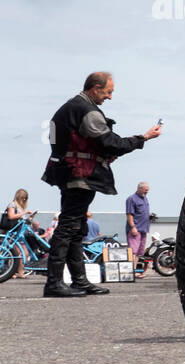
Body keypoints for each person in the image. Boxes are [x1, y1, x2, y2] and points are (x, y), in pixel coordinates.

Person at [40, 71, 162, 297]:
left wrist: (99, 154)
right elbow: (111, 143)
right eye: (108, 92)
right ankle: (54, 283)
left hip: (68, 172)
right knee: (69, 227)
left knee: (76, 229)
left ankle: (79, 281)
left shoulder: (68, 108)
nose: (110, 97)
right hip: (80, 176)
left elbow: (75, 143)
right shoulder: (87, 111)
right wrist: (144, 137)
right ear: (95, 88)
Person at [4, 188, 38, 278]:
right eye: (23, 198)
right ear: (19, 197)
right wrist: (25, 213)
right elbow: (11, 216)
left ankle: (20, 272)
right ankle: (12, 272)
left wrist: (30, 217)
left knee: (25, 253)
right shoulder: (12, 204)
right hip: (14, 232)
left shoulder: (20, 207)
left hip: (20, 232)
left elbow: (22, 220)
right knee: (16, 253)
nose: (25, 200)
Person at [124, 182, 150, 271]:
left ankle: (134, 270)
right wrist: (132, 227)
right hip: (135, 229)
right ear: (139, 188)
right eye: (145, 190)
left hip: (144, 229)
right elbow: (129, 214)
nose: (146, 192)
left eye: (147, 191)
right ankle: (130, 270)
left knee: (139, 252)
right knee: (133, 251)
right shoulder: (131, 199)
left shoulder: (145, 198)